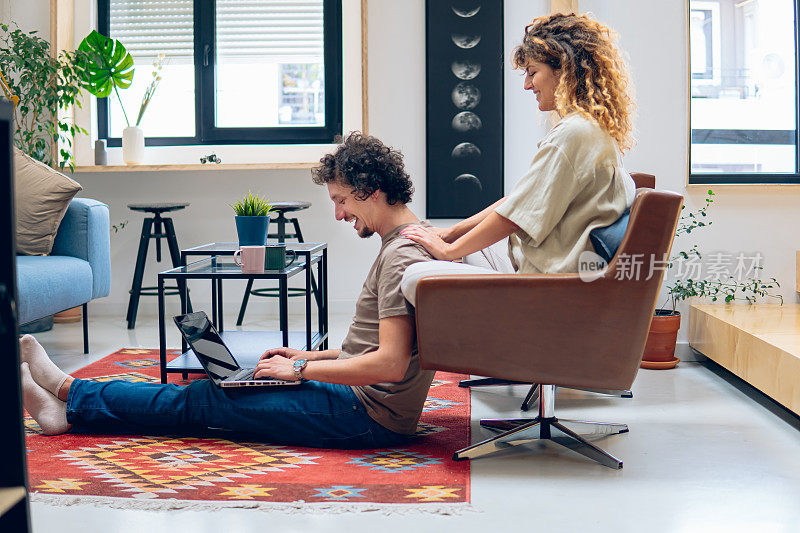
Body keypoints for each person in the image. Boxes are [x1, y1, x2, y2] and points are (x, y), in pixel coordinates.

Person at [19, 132, 436, 449]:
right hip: (358, 400)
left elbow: (391, 365)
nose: (339, 213)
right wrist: (307, 356)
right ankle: (72, 403)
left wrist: (299, 371)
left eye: (342, 199)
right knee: (225, 387)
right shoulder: (407, 243)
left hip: (365, 415)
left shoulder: (401, 255)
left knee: (208, 399)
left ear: (371, 190)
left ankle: (69, 398)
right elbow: (373, 352)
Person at [400, 12, 637, 305]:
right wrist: (448, 234)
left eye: (532, 72)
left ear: (562, 68)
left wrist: (449, 250)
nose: (527, 85)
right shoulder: (589, 128)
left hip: (550, 284)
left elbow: (513, 218)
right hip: (552, 268)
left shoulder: (574, 134)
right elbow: (517, 203)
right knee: (460, 246)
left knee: (414, 276)